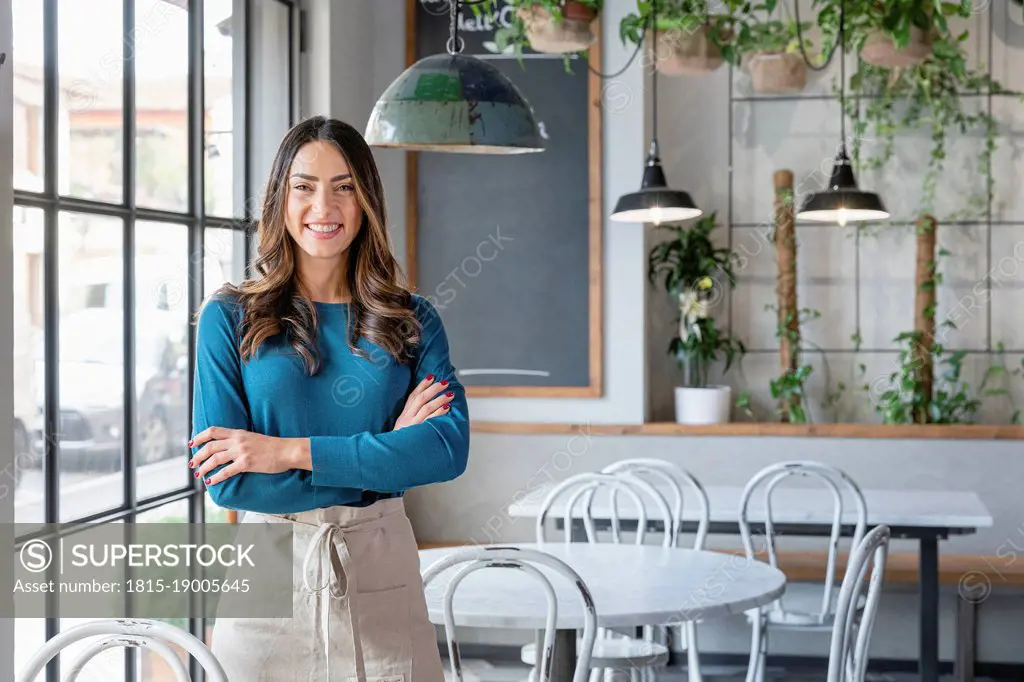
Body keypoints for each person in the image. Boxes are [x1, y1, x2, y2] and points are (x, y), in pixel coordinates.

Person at [187, 115, 469, 681]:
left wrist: (287, 452)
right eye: (304, 186)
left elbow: (445, 451)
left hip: (382, 577)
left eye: (344, 187)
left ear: (366, 200)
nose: (325, 206)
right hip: (265, 580)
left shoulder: (411, 320)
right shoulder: (229, 317)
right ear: (279, 200)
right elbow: (228, 479)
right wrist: (387, 455)